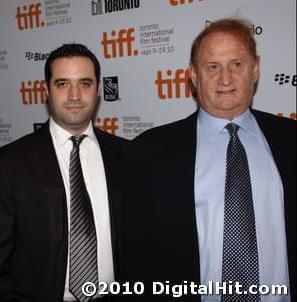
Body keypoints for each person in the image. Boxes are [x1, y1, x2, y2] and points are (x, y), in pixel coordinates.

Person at [121, 18, 295, 302]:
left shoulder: (291, 141)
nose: (225, 78)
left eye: (237, 64)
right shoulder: (149, 152)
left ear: (256, 68)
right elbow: (137, 258)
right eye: (212, 66)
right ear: (193, 75)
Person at [0, 43, 129, 302]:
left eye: (84, 83)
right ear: (46, 90)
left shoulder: (126, 155)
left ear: (98, 89)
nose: (74, 95)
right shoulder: (10, 162)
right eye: (62, 84)